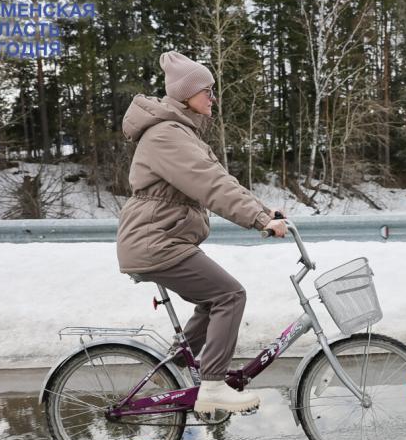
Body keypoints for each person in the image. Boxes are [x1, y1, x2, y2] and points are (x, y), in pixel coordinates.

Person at [116, 50, 287, 414]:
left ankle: (175, 367)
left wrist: (263, 211)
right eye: (206, 91)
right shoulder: (167, 135)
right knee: (230, 295)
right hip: (156, 243)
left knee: (214, 299)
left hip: (164, 239)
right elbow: (209, 185)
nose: (213, 97)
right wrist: (258, 220)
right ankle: (212, 386)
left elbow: (221, 180)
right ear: (184, 96)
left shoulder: (180, 132)